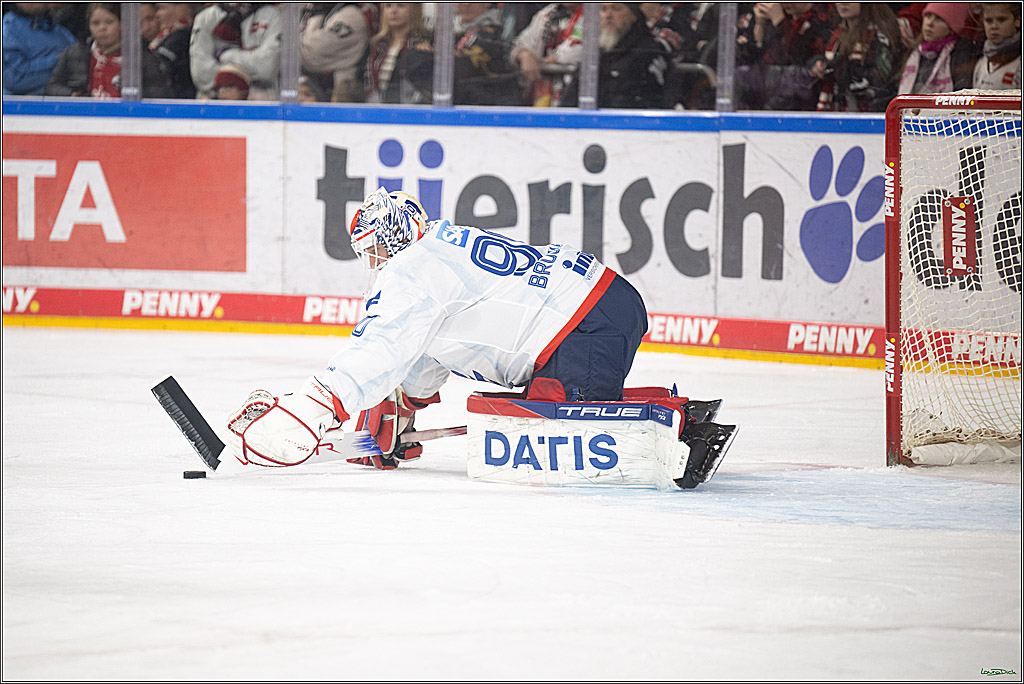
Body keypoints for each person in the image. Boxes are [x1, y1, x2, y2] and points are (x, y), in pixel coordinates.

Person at [225, 188, 737, 489]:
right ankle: (673, 412)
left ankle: (675, 426)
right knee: (545, 408)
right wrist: (400, 407)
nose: (374, 263)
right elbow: (426, 350)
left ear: (387, 243)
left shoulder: (411, 273)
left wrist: (313, 408)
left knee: (550, 434)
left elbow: (380, 345)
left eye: (373, 250)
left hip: (584, 321)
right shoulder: (439, 245)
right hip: (601, 304)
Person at [406, 2, 522, 106]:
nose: (466, 4)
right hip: (445, 106)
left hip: (488, 111)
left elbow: (462, 70)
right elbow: (412, 59)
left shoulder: (497, 32)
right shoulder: (443, 29)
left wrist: (432, 56)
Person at [46, 2, 171, 98]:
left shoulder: (142, 56)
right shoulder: (75, 53)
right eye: (96, 23)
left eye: (109, 22)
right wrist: (72, 95)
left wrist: (131, 93)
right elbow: (52, 87)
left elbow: (159, 93)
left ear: (122, 24)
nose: (102, 28)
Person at [562, 2, 668, 109]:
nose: (608, 15)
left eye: (616, 8)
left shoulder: (648, 53)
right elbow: (570, 101)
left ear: (633, 15)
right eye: (603, 9)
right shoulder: (594, 54)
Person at [734, 2, 837, 111]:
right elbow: (752, 65)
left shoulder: (824, 20)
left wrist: (780, 23)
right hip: (768, 99)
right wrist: (759, 27)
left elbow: (797, 62)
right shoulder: (777, 15)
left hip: (803, 106)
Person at [816, 2, 905, 112]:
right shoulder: (836, 34)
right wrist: (820, 68)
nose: (843, 3)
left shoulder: (880, 35)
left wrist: (845, 72)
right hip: (837, 111)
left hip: (870, 115)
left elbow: (880, 82)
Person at [300, 3, 379, 103]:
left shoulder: (353, 15)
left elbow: (310, 54)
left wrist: (314, 19)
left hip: (343, 102)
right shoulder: (319, 10)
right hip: (318, 97)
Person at [897, 3, 981, 95]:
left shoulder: (961, 54)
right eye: (928, 16)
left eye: (939, 19)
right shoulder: (914, 52)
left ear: (952, 27)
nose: (930, 23)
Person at [510, 2, 584, 106]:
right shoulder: (547, 14)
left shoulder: (597, 12)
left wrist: (541, 62)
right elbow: (520, 44)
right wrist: (524, 54)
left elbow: (576, 50)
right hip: (543, 97)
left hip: (576, 97)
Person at [209, 3, 283, 100]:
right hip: (222, 100)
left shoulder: (273, 14)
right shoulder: (210, 16)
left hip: (265, 101)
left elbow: (266, 67)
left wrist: (225, 55)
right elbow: (204, 73)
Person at [364, 2, 433, 104]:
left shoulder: (424, 43)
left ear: (414, 9)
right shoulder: (377, 46)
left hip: (411, 111)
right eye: (388, 6)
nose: (393, 11)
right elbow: (368, 85)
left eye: (400, 5)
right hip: (378, 110)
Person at [2, 3, 77, 96]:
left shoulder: (59, 30)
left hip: (63, 102)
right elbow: (13, 79)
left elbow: (79, 68)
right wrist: (58, 60)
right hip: (23, 106)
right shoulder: (8, 30)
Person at [150, 2, 196, 98]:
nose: (157, 14)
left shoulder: (184, 35)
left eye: (162, 8)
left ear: (182, 8)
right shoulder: (164, 36)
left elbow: (158, 66)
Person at [973, 3, 1021, 90]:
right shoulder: (982, 62)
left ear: (1017, 20)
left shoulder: (1018, 63)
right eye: (989, 20)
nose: (994, 26)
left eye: (1001, 20)